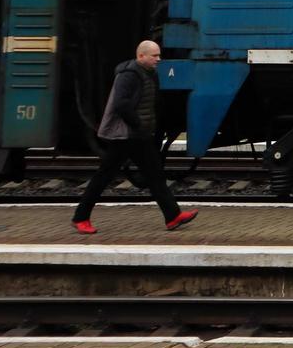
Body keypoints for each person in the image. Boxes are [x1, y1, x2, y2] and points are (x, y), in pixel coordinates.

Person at [72, 40, 198, 234]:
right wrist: (137, 124)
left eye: (158, 55)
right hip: (125, 135)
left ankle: (173, 216)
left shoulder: (149, 74)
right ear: (141, 56)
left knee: (155, 175)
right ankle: (80, 218)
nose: (158, 59)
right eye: (154, 56)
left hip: (139, 135)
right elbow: (121, 104)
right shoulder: (128, 75)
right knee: (104, 176)